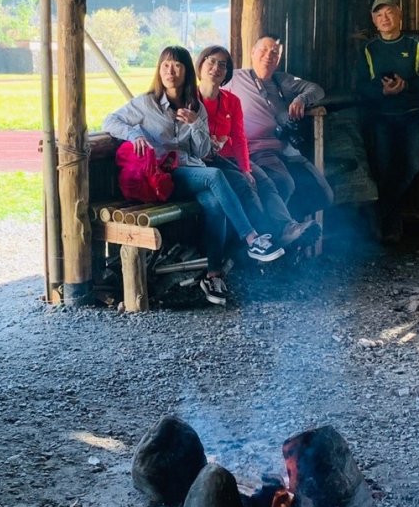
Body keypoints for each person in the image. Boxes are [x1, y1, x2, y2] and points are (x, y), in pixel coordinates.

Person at [104, 46, 285, 306]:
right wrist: (135, 135)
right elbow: (109, 120)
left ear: (186, 71)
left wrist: (196, 124)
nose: (170, 71)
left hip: (188, 171)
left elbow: (202, 151)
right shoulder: (146, 103)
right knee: (214, 176)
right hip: (160, 178)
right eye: (166, 65)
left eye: (177, 66)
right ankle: (252, 238)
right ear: (159, 69)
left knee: (214, 205)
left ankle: (213, 275)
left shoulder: (195, 105)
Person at [195, 44, 320, 248]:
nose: (216, 68)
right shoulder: (190, 99)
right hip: (205, 164)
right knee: (246, 188)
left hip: (231, 159)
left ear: (227, 72)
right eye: (211, 61)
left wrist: (246, 168)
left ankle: (287, 228)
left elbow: (239, 136)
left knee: (264, 181)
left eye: (223, 65)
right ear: (200, 64)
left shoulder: (231, 100)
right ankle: (267, 240)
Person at [357, 0, 419, 243]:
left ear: (400, 14)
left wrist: (407, 86)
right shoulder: (369, 49)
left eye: (389, 13)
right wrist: (382, 91)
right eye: (379, 15)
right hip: (381, 118)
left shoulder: (416, 44)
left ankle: (384, 215)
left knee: (411, 167)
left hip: (412, 116)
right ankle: (389, 223)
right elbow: (360, 85)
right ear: (373, 20)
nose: (385, 19)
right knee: (383, 170)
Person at [228, 34, 334, 221]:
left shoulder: (282, 81)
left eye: (275, 52)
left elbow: (317, 89)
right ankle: (280, 235)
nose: (269, 55)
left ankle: (291, 227)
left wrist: (301, 99)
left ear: (279, 59)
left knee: (323, 193)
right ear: (253, 52)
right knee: (283, 183)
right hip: (254, 151)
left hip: (285, 150)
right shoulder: (235, 79)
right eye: (264, 49)